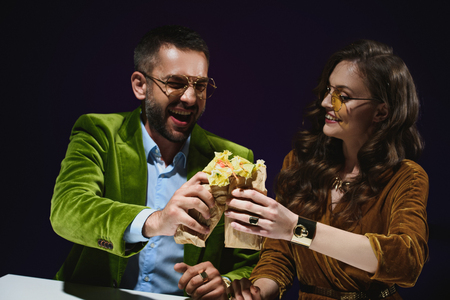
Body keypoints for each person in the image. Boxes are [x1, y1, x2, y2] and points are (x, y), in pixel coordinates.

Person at [50, 25, 258, 300]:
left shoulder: (233, 160)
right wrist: (155, 221)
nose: (190, 97)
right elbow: (68, 209)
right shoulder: (99, 132)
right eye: (175, 83)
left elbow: (249, 263)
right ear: (140, 85)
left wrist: (226, 284)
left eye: (200, 85)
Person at [224, 40, 428, 300]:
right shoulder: (299, 163)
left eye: (342, 96)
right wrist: (257, 293)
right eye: (328, 90)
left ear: (381, 111)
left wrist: (298, 228)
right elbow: (278, 255)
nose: (324, 102)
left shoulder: (405, 177)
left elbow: (406, 262)